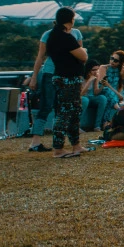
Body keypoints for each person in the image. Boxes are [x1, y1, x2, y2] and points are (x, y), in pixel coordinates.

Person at [24, 11, 83, 149]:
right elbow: (40, 57)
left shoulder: (76, 33)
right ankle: (35, 141)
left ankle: (59, 141)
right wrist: (34, 77)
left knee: (62, 109)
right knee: (46, 105)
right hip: (50, 72)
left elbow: (79, 54)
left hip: (68, 74)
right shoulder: (48, 34)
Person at [44, 8, 89, 158]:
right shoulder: (66, 37)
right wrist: (83, 50)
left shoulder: (52, 36)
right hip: (69, 79)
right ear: (70, 20)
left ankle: (76, 145)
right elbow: (83, 56)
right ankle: (58, 149)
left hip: (60, 76)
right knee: (65, 113)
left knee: (74, 112)